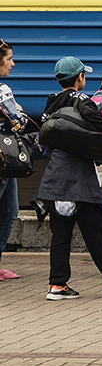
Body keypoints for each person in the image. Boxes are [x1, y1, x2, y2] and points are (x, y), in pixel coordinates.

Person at [36, 57, 102, 300]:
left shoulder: (51, 102)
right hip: (80, 177)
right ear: (80, 77)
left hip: (56, 178)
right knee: (96, 231)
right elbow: (95, 118)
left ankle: (57, 284)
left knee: (60, 234)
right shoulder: (81, 98)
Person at [0, 39, 27, 280]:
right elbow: (20, 122)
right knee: (8, 212)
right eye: (9, 59)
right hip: (3, 159)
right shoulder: (2, 91)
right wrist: (16, 108)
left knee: (9, 209)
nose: (13, 63)